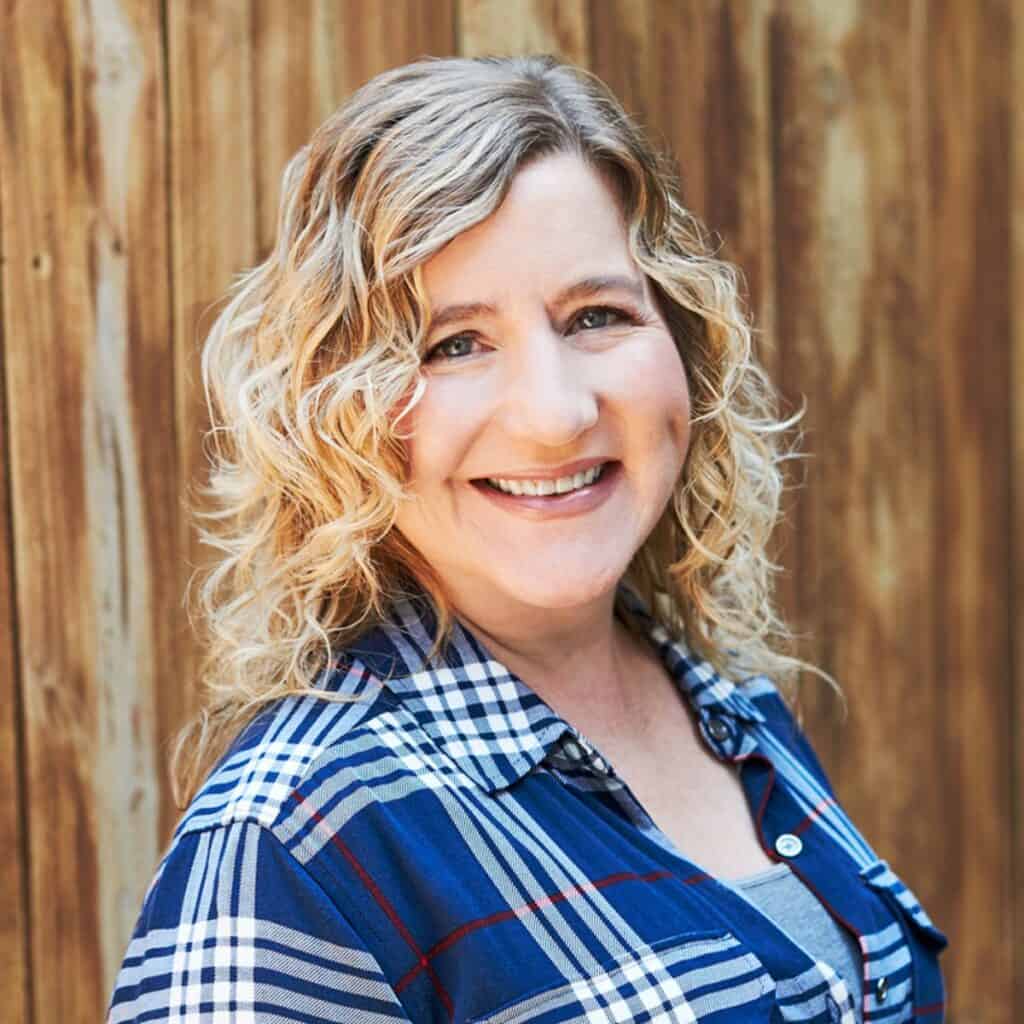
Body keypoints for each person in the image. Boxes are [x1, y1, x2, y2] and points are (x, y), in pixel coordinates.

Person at [106, 54, 947, 1023]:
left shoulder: (735, 718)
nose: (553, 414)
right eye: (453, 343)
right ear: (332, 407)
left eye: (596, 316)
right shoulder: (295, 843)